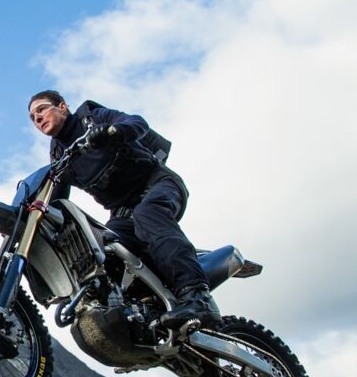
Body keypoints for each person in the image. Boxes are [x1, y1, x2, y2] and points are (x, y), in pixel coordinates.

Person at [27, 90, 219, 328]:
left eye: (41, 109)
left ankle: (197, 296)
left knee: (147, 215)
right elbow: (55, 200)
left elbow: (137, 123)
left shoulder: (92, 117)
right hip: (122, 212)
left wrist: (112, 132)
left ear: (63, 107)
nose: (37, 118)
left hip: (157, 185)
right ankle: (141, 313)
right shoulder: (60, 156)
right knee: (101, 249)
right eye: (33, 117)